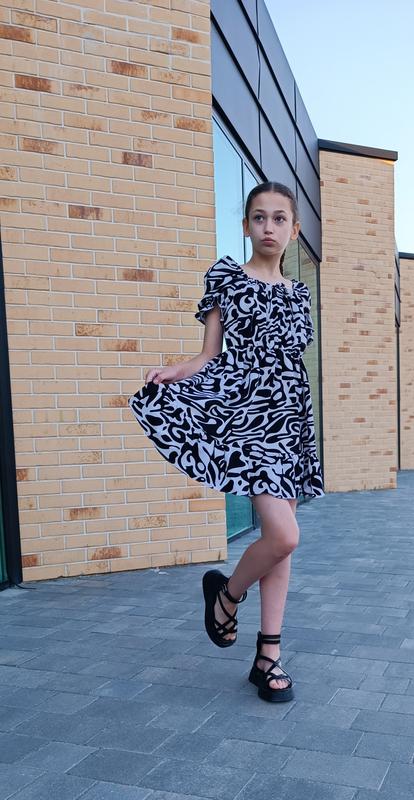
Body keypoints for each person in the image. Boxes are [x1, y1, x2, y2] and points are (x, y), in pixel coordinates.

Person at [128, 181, 325, 702]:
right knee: (284, 536)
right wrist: (176, 371)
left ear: (294, 230)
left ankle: (268, 656)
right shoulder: (226, 278)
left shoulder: (299, 293)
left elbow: (291, 360)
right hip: (247, 418)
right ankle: (227, 594)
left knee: (282, 545)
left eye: (279, 218)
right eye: (259, 217)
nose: (268, 227)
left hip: (288, 418)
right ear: (245, 226)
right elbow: (209, 355)